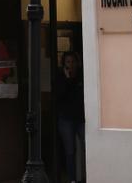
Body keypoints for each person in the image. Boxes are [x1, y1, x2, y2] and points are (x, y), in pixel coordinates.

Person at [54, 50, 86, 183]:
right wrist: (67, 80)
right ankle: (72, 180)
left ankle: (88, 175)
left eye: (73, 62)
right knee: (70, 151)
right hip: (66, 119)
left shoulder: (81, 76)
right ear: (64, 64)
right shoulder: (60, 77)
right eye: (68, 62)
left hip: (81, 119)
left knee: (88, 147)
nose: (71, 64)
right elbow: (58, 96)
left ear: (77, 63)